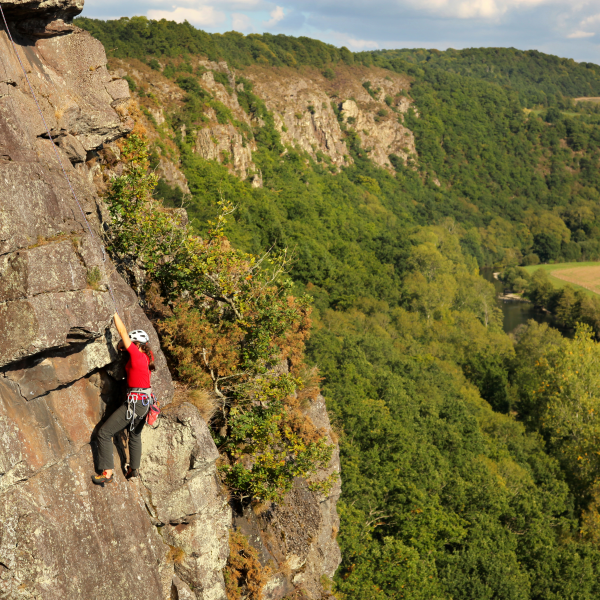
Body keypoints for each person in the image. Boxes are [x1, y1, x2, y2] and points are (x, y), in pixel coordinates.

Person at [92, 312, 156, 486]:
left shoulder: (136, 356)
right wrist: (121, 346)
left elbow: (122, 331)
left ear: (135, 344)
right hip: (144, 403)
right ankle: (133, 469)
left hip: (134, 404)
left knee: (104, 433)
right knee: (134, 435)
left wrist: (114, 314)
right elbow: (123, 343)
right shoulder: (146, 358)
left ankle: (107, 472)